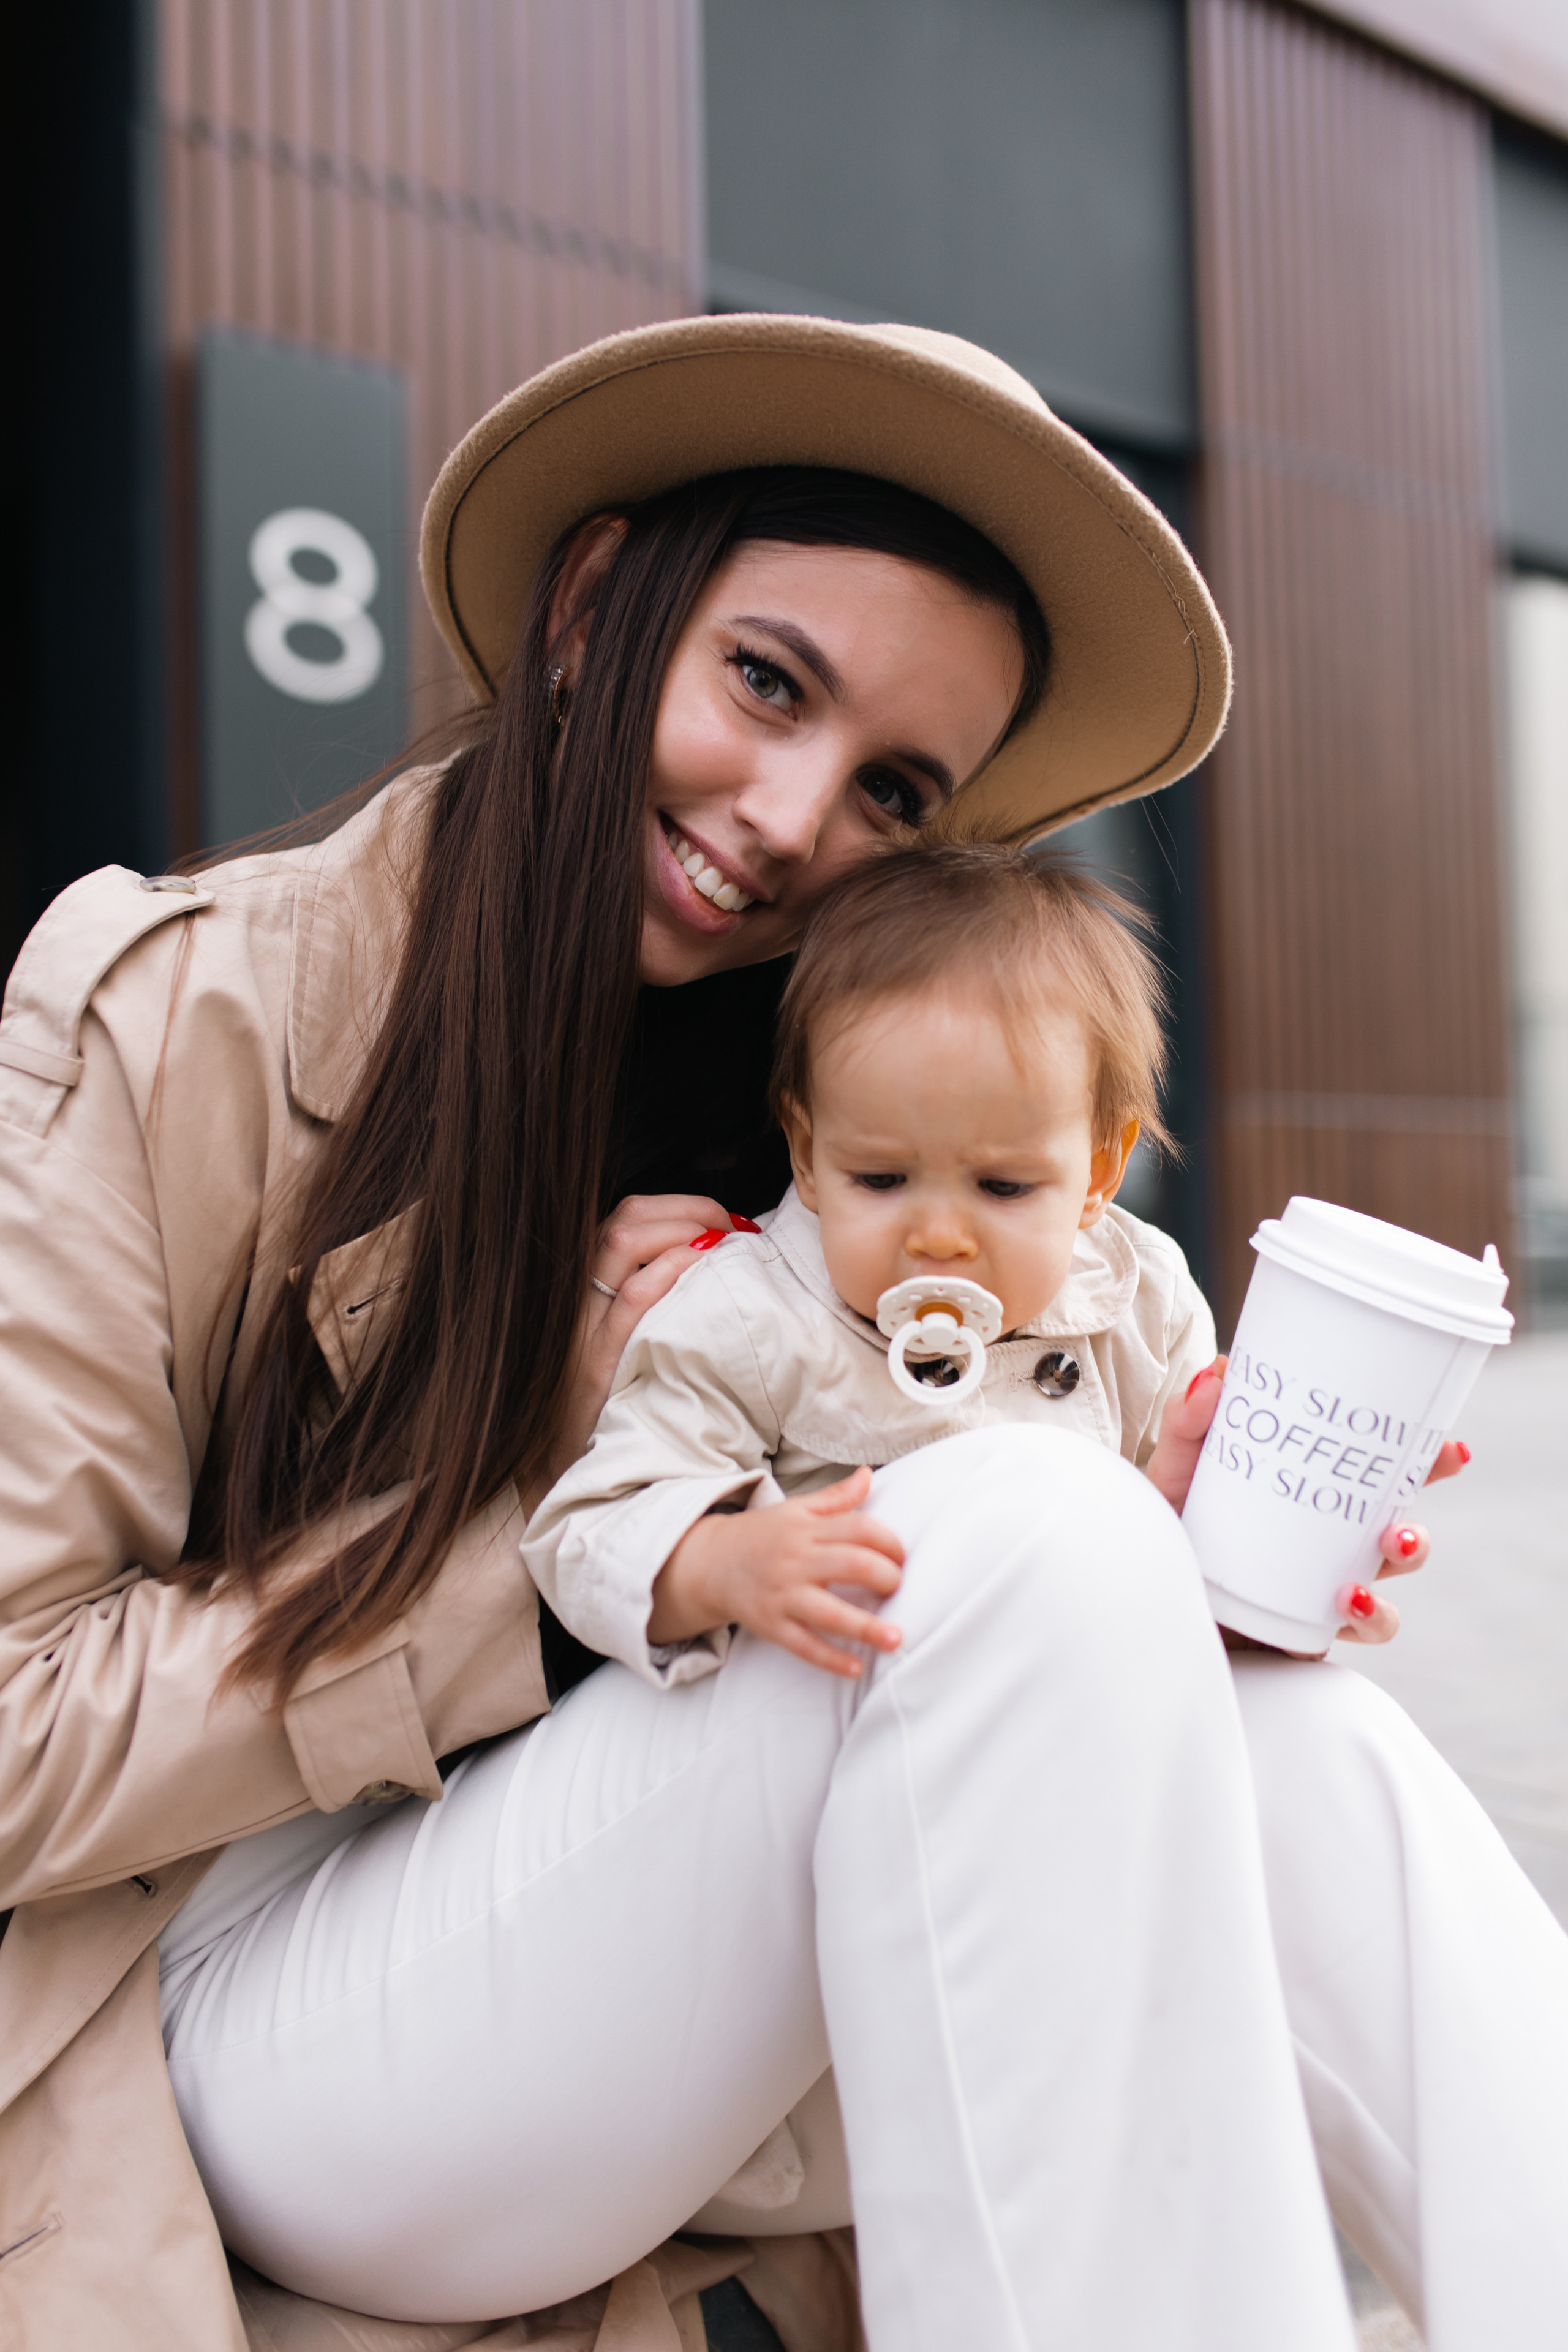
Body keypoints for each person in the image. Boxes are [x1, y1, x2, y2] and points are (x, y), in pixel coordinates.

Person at [0, 317, 1563, 2352]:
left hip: (671, 1997)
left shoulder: (855, 1088)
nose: (794, 816)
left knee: (1285, 1723)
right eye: (766, 683)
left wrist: (1177, 1536)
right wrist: (517, 1521)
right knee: (1019, 1548)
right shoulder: (181, 1015)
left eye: (895, 786)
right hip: (234, 2032)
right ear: (591, 609)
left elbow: (972, 1615)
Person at [523, 840, 1416, 1686]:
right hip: (824, 1718)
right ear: (806, 1154)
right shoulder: (750, 1316)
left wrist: (1270, 1573)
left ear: (1099, 1173)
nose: (939, 1237)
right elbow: (588, 1532)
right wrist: (721, 1561)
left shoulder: (1142, 1303)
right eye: (880, 1177)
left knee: (1320, 1712)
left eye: (1003, 1185)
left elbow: (1163, 1576)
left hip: (1049, 1707)